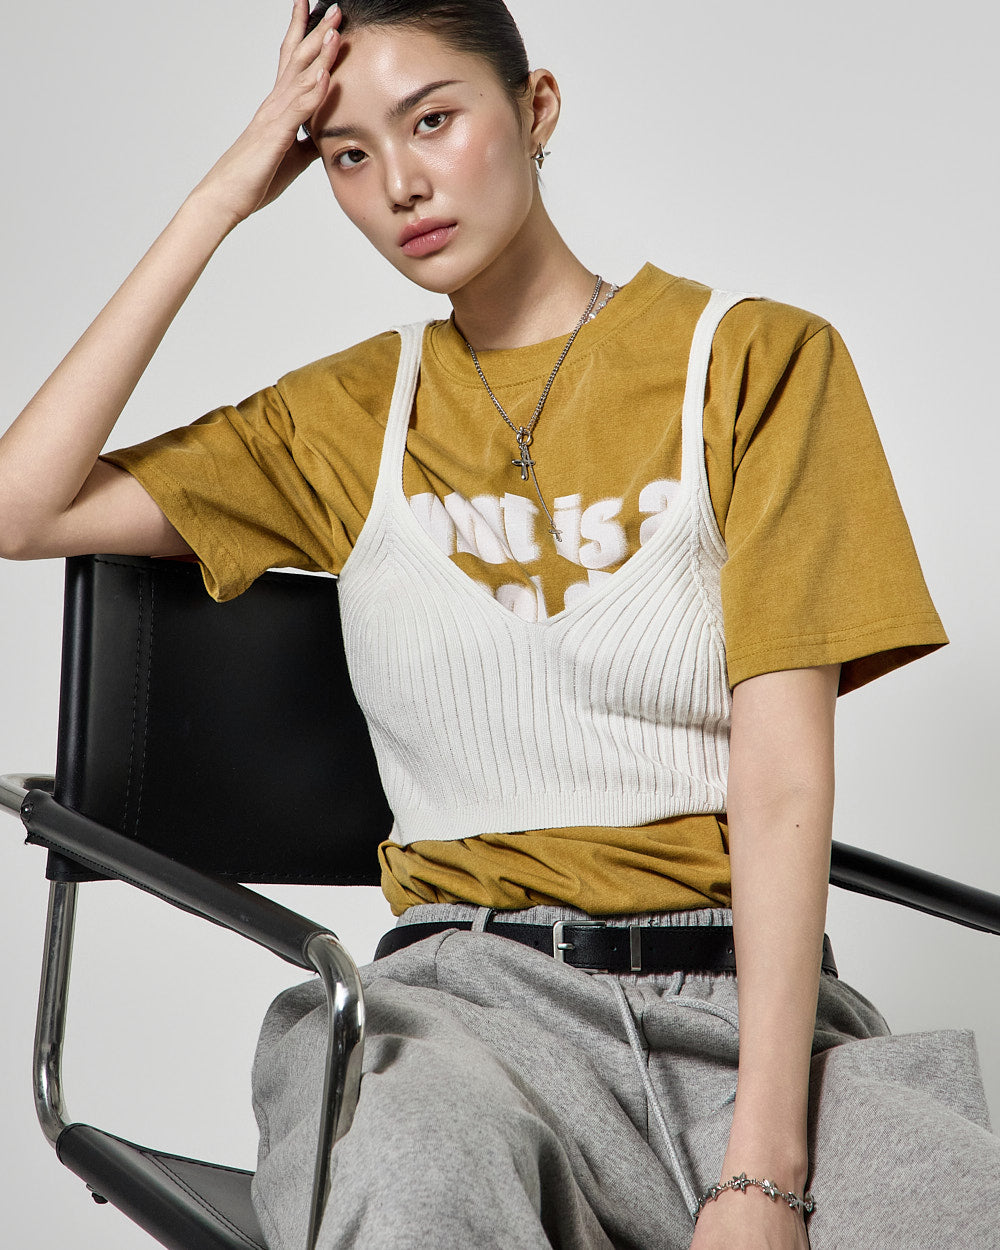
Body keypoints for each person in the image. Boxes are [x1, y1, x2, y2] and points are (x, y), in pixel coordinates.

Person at [1, 1, 997, 1246]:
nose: (399, 185)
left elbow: (783, 778)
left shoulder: (755, 363)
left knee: (954, 1210)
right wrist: (223, 195)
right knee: (418, 1177)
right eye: (348, 154)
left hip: (743, 1021)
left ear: (536, 110)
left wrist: (761, 1172)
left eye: (432, 120)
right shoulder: (348, 418)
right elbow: (23, 505)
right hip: (457, 1013)